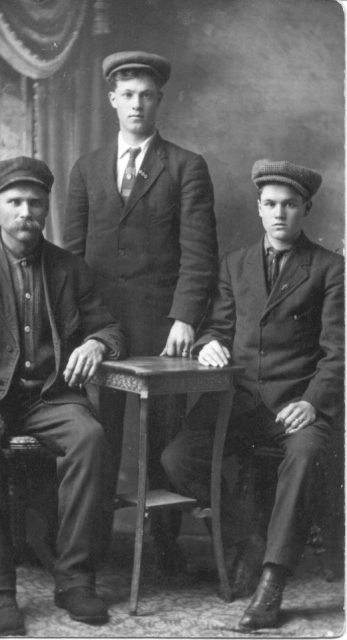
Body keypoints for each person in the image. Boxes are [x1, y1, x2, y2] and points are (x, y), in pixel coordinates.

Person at [161, 159, 344, 630]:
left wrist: (311, 402)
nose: (279, 214)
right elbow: (217, 326)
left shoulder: (330, 269)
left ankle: (271, 581)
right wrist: (210, 345)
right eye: (270, 204)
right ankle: (246, 533)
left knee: (305, 456)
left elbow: (338, 352)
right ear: (258, 208)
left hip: (296, 403)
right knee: (178, 458)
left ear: (306, 209)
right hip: (238, 400)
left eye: (290, 205)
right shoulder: (235, 263)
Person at [0, 156, 127, 635]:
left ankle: (74, 580)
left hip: (51, 399)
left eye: (34, 202)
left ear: (46, 208)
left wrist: (96, 342)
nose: (25, 211)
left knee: (91, 438)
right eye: (14, 202)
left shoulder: (69, 267)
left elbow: (110, 327)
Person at [64, 51, 218, 567]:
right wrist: (83, 329)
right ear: (112, 100)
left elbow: (199, 254)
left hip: (162, 328)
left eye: (146, 95)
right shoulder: (86, 169)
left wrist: (185, 318)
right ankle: (97, 546)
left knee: (163, 438)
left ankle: (165, 546)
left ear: (159, 100)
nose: (137, 104)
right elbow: (71, 255)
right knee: (100, 437)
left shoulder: (185, 166)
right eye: (127, 95)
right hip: (101, 329)